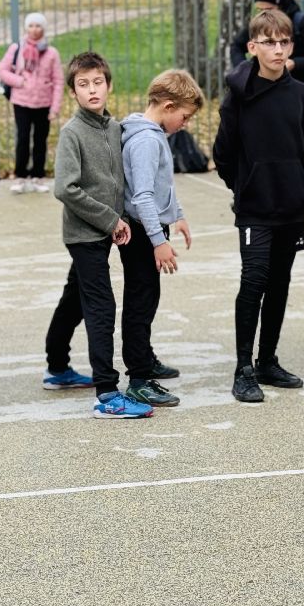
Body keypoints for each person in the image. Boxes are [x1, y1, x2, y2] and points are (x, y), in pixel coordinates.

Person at [213, 7, 304, 402]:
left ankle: (267, 361)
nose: (278, 49)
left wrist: (289, 183)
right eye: (269, 42)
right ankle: (243, 369)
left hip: (290, 208)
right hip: (256, 209)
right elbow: (223, 155)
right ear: (253, 46)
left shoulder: (303, 97)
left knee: (280, 284)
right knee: (253, 281)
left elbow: (299, 146)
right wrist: (246, 188)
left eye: (284, 42)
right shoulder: (237, 98)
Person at [41, 51, 151, 416]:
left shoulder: (115, 128)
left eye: (98, 82)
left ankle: (57, 367)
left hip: (108, 230)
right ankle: (107, 392)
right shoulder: (72, 132)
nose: (92, 90)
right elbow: (66, 189)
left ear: (109, 85)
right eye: (83, 84)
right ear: (73, 91)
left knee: (75, 298)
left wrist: (122, 218)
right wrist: (110, 219)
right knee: (101, 305)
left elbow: (118, 180)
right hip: (84, 235)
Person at [117, 68, 205, 409]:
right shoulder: (146, 140)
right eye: (184, 116)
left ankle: (146, 358)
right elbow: (142, 196)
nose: (185, 123)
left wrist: (178, 215)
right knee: (140, 302)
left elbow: (163, 184)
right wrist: (158, 240)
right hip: (141, 233)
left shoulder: (153, 133)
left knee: (148, 297)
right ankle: (139, 379)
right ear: (168, 106)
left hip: (150, 228)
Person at [0, 12, 64, 193]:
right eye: (31, 26)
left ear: (44, 29)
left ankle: (38, 176)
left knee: (40, 141)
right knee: (23, 139)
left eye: (38, 26)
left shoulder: (51, 53)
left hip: (44, 103)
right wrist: (19, 82)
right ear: (26, 28)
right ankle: (20, 176)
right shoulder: (16, 49)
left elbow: (58, 81)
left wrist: (55, 107)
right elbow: (2, 70)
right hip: (21, 102)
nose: (34, 30)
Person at [228, 0, 304, 81]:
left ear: (279, 6)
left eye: (269, 9)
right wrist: (244, 70)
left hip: (296, 81)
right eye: (260, 10)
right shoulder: (259, 22)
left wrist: (295, 63)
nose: (264, 14)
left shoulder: (301, 23)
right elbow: (236, 46)